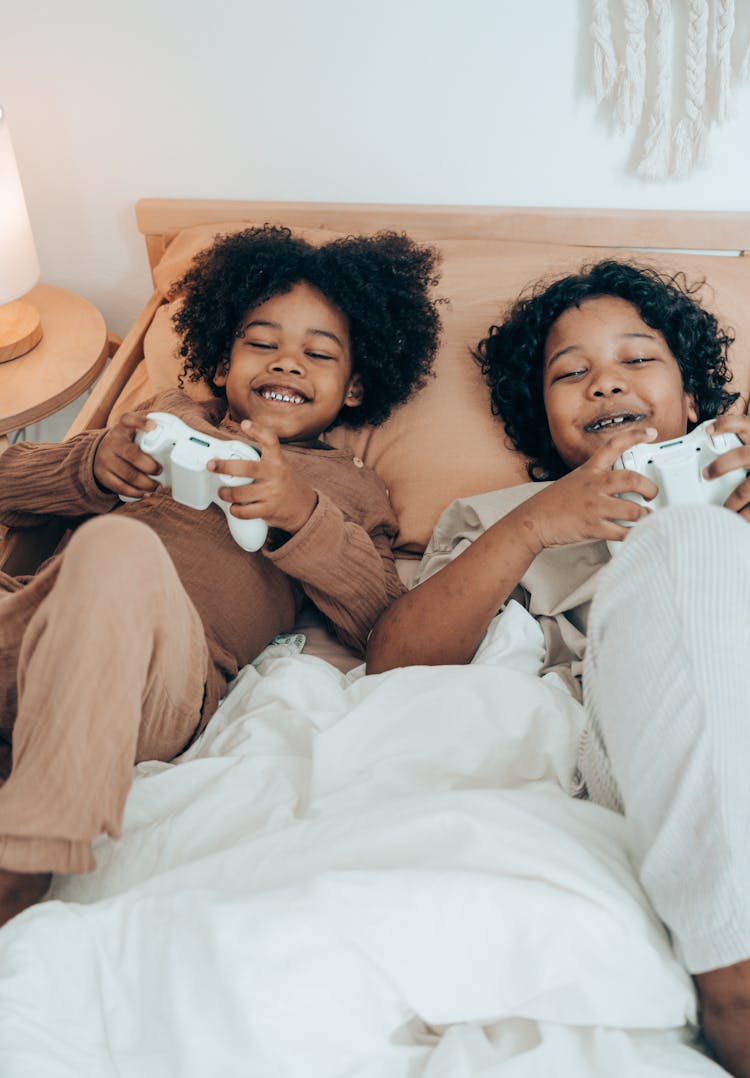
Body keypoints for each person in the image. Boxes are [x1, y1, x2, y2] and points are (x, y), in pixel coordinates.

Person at [367, 260, 750, 1076]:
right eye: (570, 372)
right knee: (683, 544)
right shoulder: (500, 519)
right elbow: (395, 662)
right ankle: (734, 975)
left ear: (691, 399)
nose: (604, 382)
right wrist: (537, 525)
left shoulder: (738, 477)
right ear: (543, 416)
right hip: (643, 747)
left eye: (637, 359)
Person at [0, 224, 442, 926]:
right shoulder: (162, 415)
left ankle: (25, 858)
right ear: (222, 361)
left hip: (157, 682)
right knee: (100, 547)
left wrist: (300, 514)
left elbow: (379, 621)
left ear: (356, 387)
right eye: (262, 343)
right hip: (31, 632)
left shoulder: (350, 490)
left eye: (317, 353)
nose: (287, 363)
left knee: (118, 550)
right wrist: (87, 466)